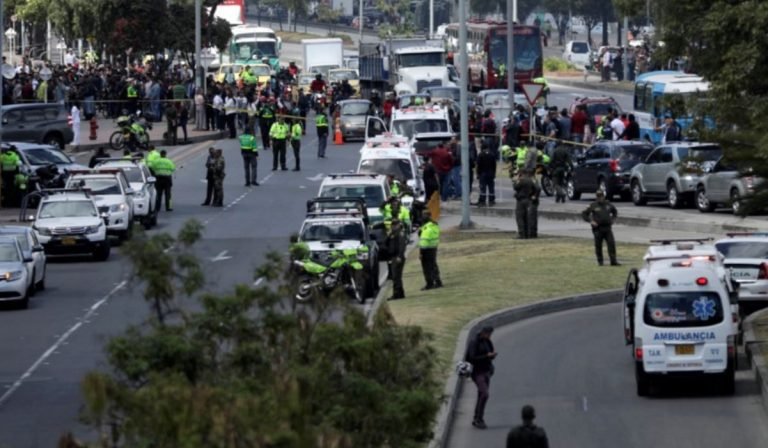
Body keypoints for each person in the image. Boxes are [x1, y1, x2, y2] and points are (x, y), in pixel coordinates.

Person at [466, 326, 496, 430]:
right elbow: (472, 357)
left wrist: (492, 355)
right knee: (484, 393)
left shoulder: (487, 341)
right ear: (483, 332)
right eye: (488, 334)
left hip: (486, 371)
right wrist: (486, 356)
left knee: (481, 395)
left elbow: (491, 352)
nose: (489, 336)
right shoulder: (474, 342)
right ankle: (478, 419)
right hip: (477, 372)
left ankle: (477, 418)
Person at [582, 190, 620, 266]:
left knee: (611, 244)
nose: (600, 198)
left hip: (607, 228)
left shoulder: (608, 204)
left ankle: (613, 261)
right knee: (598, 245)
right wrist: (591, 221)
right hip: (598, 229)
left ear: (603, 196)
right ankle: (600, 261)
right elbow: (584, 214)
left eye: (601, 196)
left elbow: (615, 212)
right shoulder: (593, 205)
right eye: (598, 196)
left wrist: (613, 219)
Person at [418, 211, 442, 290]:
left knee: (427, 268)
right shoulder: (434, 225)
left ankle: (429, 283)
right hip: (433, 248)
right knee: (433, 266)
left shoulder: (426, 229)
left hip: (426, 250)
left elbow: (423, 243)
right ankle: (438, 281)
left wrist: (421, 253)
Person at [386, 218, 408, 301]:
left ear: (399, 225)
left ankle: (397, 294)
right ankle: (400, 293)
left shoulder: (400, 234)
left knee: (396, 276)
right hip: (393, 257)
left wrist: (400, 256)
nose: (394, 226)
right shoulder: (393, 234)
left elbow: (402, 246)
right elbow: (386, 243)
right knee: (396, 276)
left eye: (395, 224)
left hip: (398, 257)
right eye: (393, 224)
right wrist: (389, 235)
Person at [514, 170, 539, 239]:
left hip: (522, 200)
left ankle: (522, 234)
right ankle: (531, 234)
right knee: (530, 218)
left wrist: (516, 180)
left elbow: (515, 187)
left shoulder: (522, 180)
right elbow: (537, 188)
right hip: (530, 200)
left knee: (520, 217)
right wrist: (535, 196)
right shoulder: (533, 180)